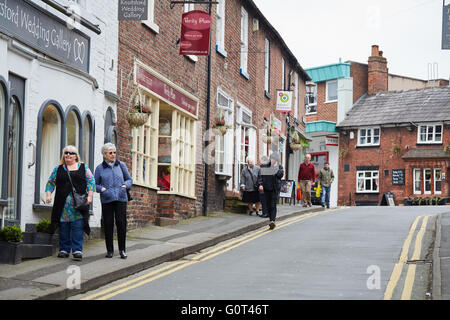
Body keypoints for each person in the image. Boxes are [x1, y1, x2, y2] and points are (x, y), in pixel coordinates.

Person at [45, 145, 95, 261]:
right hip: (62, 204)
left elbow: (91, 181)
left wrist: (90, 196)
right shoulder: (58, 169)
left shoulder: (83, 167)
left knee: (77, 226)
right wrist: (48, 195)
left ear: (76, 156)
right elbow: (51, 183)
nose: (68, 155)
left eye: (71, 153)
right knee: (64, 227)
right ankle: (64, 250)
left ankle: (77, 250)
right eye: (66, 152)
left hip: (78, 203)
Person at [94, 143, 133, 259]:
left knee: (121, 223)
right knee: (108, 224)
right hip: (107, 200)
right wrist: (102, 189)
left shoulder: (121, 165)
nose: (113, 155)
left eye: (114, 152)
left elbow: (129, 179)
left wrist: (125, 186)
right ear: (104, 154)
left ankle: (122, 250)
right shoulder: (99, 168)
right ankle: (110, 250)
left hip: (121, 198)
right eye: (110, 153)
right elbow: (94, 185)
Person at [258, 152, 284, 230]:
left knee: (273, 205)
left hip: (275, 189)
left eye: (274, 159)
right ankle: (271, 220)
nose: (272, 160)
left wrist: (275, 168)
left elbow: (280, 175)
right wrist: (260, 184)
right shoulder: (265, 166)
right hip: (266, 188)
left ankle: (272, 221)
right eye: (271, 159)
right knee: (268, 205)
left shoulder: (279, 167)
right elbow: (260, 176)